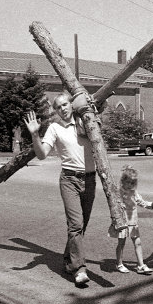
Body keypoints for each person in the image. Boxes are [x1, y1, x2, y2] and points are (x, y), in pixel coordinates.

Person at [24, 92, 96, 286]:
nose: (62, 109)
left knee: (81, 226)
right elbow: (41, 155)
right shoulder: (54, 128)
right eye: (58, 107)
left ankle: (68, 260)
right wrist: (35, 134)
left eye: (65, 105)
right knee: (75, 225)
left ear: (71, 105)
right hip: (69, 180)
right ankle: (79, 269)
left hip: (90, 179)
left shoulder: (85, 122)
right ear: (55, 111)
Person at [109, 165, 153, 275]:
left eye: (133, 183)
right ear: (123, 181)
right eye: (128, 182)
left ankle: (141, 265)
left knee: (138, 243)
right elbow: (115, 205)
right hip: (123, 223)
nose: (130, 185)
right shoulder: (119, 192)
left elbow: (142, 202)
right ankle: (119, 263)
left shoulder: (134, 193)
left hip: (133, 222)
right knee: (121, 243)